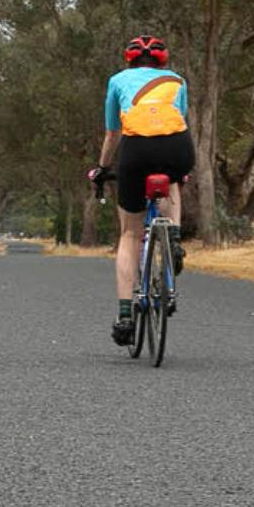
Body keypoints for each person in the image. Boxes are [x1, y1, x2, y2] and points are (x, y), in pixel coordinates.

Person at [90, 34, 193, 346]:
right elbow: (180, 121)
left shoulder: (118, 80)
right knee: (173, 181)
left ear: (130, 59)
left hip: (136, 152)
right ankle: (173, 236)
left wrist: (102, 168)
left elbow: (113, 132)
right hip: (177, 147)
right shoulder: (177, 80)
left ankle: (124, 316)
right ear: (161, 60)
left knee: (130, 234)